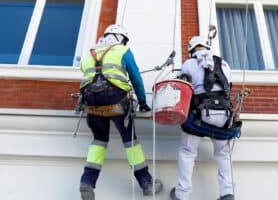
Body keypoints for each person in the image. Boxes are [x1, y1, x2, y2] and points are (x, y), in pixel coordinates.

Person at [78, 24, 163, 200]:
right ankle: (146, 183)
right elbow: (136, 78)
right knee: (130, 141)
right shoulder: (122, 51)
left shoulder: (89, 55)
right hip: (116, 100)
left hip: (92, 103)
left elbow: (90, 76)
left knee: (99, 141)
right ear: (120, 38)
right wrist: (142, 101)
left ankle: (86, 182)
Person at [170, 36, 239, 200]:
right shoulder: (224, 63)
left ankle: (182, 194)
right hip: (224, 116)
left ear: (192, 50)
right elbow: (228, 88)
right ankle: (227, 193)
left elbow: (182, 88)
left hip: (200, 115)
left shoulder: (189, 64)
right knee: (223, 154)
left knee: (187, 151)